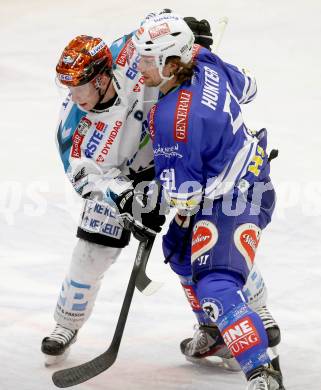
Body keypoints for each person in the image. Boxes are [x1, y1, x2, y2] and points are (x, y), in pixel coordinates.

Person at [127, 13, 285, 389]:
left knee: (215, 282)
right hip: (236, 172)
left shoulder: (170, 120)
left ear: (171, 63)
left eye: (148, 60)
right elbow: (249, 87)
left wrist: (144, 206)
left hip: (236, 197)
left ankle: (262, 371)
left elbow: (183, 197)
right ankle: (214, 332)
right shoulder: (205, 60)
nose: (139, 66)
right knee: (179, 251)